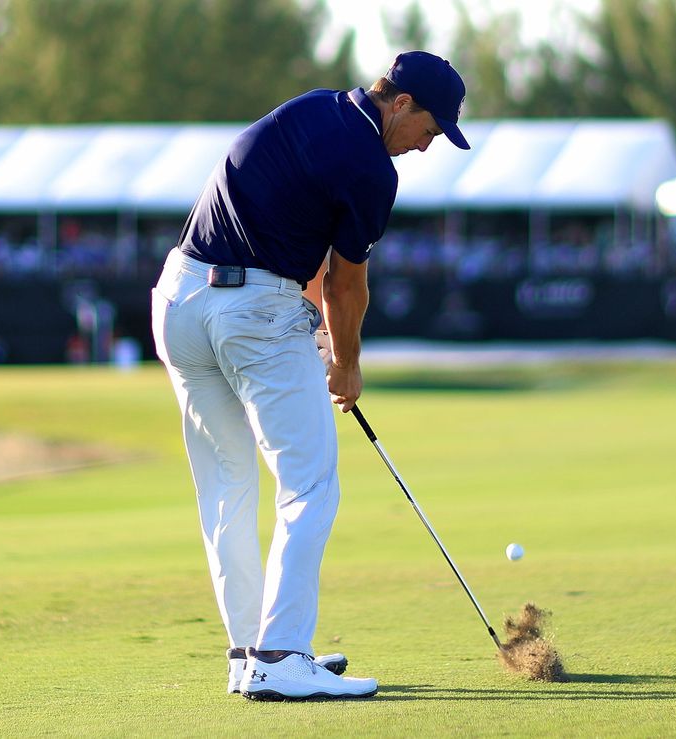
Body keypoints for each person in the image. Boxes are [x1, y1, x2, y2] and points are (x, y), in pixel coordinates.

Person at [151, 51, 469, 701]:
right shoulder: (371, 168)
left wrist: (319, 332)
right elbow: (348, 282)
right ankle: (280, 652)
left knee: (229, 484)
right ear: (401, 103)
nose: (425, 148)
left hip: (179, 299)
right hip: (252, 310)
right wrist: (346, 365)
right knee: (309, 482)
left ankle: (250, 653)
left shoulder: (312, 109)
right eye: (431, 131)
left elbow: (303, 240)